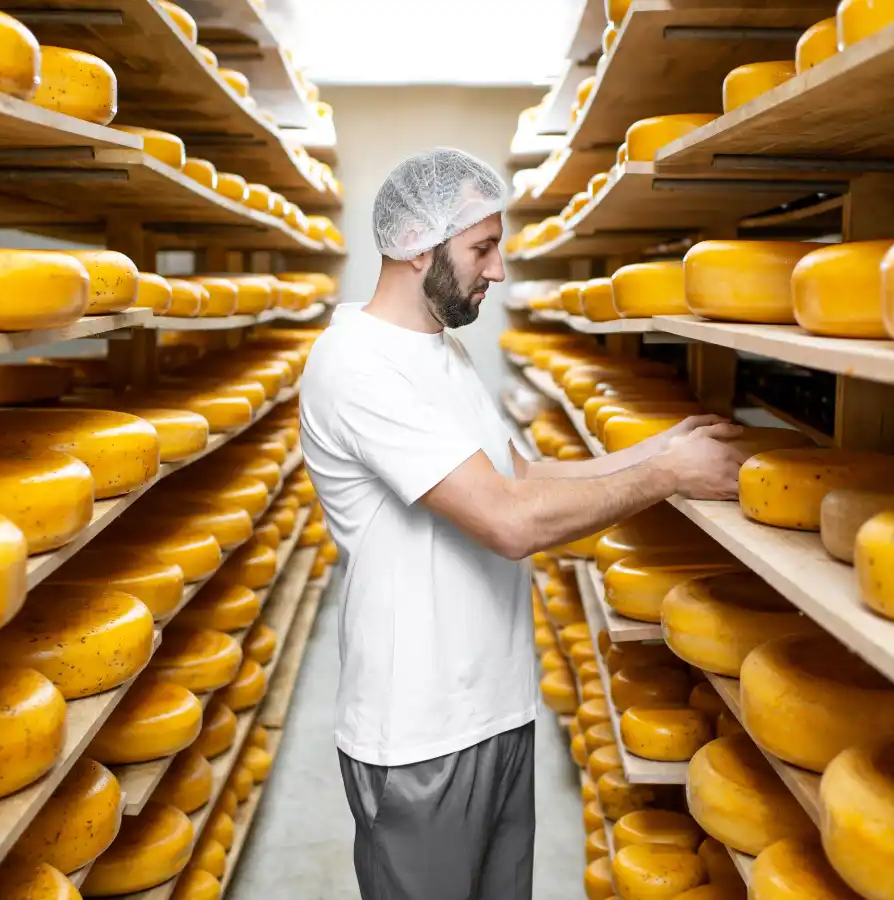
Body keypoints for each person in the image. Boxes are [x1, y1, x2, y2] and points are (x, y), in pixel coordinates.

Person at [298, 147, 745, 900]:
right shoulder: (356, 366)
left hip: (497, 710)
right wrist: (666, 475)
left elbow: (523, 477)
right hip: (418, 733)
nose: (498, 269)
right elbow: (509, 520)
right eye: (481, 247)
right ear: (417, 246)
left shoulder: (442, 352)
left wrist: (661, 449)